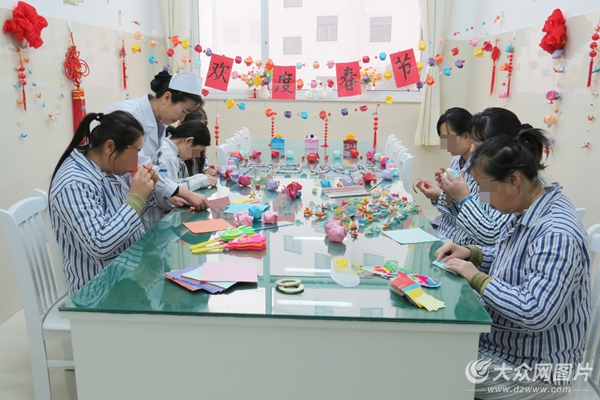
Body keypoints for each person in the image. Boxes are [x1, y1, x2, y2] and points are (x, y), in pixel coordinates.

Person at [435, 128, 590, 398]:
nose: (482, 198)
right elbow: (514, 261)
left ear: (514, 179)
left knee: (429, 368)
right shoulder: (527, 208)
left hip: (534, 371)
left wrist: (477, 278)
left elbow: (535, 311)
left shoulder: (556, 233)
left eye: (485, 188)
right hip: (501, 347)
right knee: (426, 348)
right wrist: (472, 254)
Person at [49, 111, 158, 294]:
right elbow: (100, 244)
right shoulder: (75, 183)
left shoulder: (107, 168)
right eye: (135, 152)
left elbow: (120, 221)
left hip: (125, 274)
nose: (136, 160)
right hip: (98, 291)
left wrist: (145, 194)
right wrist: (136, 199)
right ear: (109, 147)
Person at [105, 70, 210, 228]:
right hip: (113, 194)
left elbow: (154, 167)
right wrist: (183, 192)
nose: (182, 119)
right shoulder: (131, 116)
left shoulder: (158, 124)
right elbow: (136, 166)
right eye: (183, 111)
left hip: (135, 197)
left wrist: (168, 194)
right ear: (167, 97)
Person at [438, 108, 537, 246]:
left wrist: (463, 198)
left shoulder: (505, 182)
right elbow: (479, 212)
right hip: (463, 246)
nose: (472, 150)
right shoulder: (488, 176)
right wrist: (451, 194)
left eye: (477, 144)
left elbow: (492, 235)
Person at [417, 107, 474, 242]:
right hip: (443, 225)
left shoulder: (482, 172)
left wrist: (442, 195)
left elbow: (476, 215)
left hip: (457, 236)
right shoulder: (456, 161)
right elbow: (450, 205)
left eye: (448, 139)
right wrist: (444, 192)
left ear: (466, 136)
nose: (445, 145)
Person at [161, 120, 218, 191]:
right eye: (198, 151)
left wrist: (200, 178)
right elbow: (171, 191)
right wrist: (200, 181)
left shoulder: (167, 148)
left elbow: (172, 184)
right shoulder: (168, 155)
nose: (196, 155)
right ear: (189, 141)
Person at [181, 109, 219, 177]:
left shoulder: (196, 149)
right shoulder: (178, 152)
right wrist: (201, 176)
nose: (200, 134)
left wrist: (206, 170)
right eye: (196, 129)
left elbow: (197, 169)